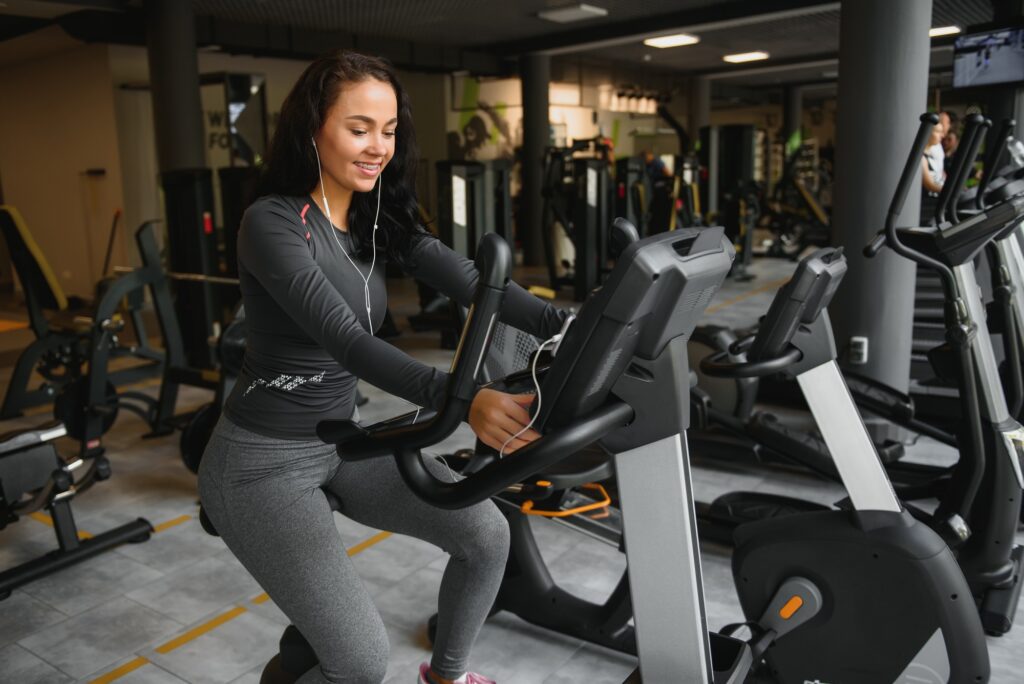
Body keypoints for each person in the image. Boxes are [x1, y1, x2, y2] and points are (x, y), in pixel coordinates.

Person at [198, 50, 567, 684]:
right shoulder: (274, 222)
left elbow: (478, 283)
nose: (378, 147)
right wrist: (462, 396)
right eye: (359, 128)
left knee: (486, 538)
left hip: (337, 443)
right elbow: (346, 341)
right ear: (312, 128)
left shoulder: (376, 217)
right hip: (259, 466)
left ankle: (445, 678)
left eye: (390, 131)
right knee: (362, 663)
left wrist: (565, 324)